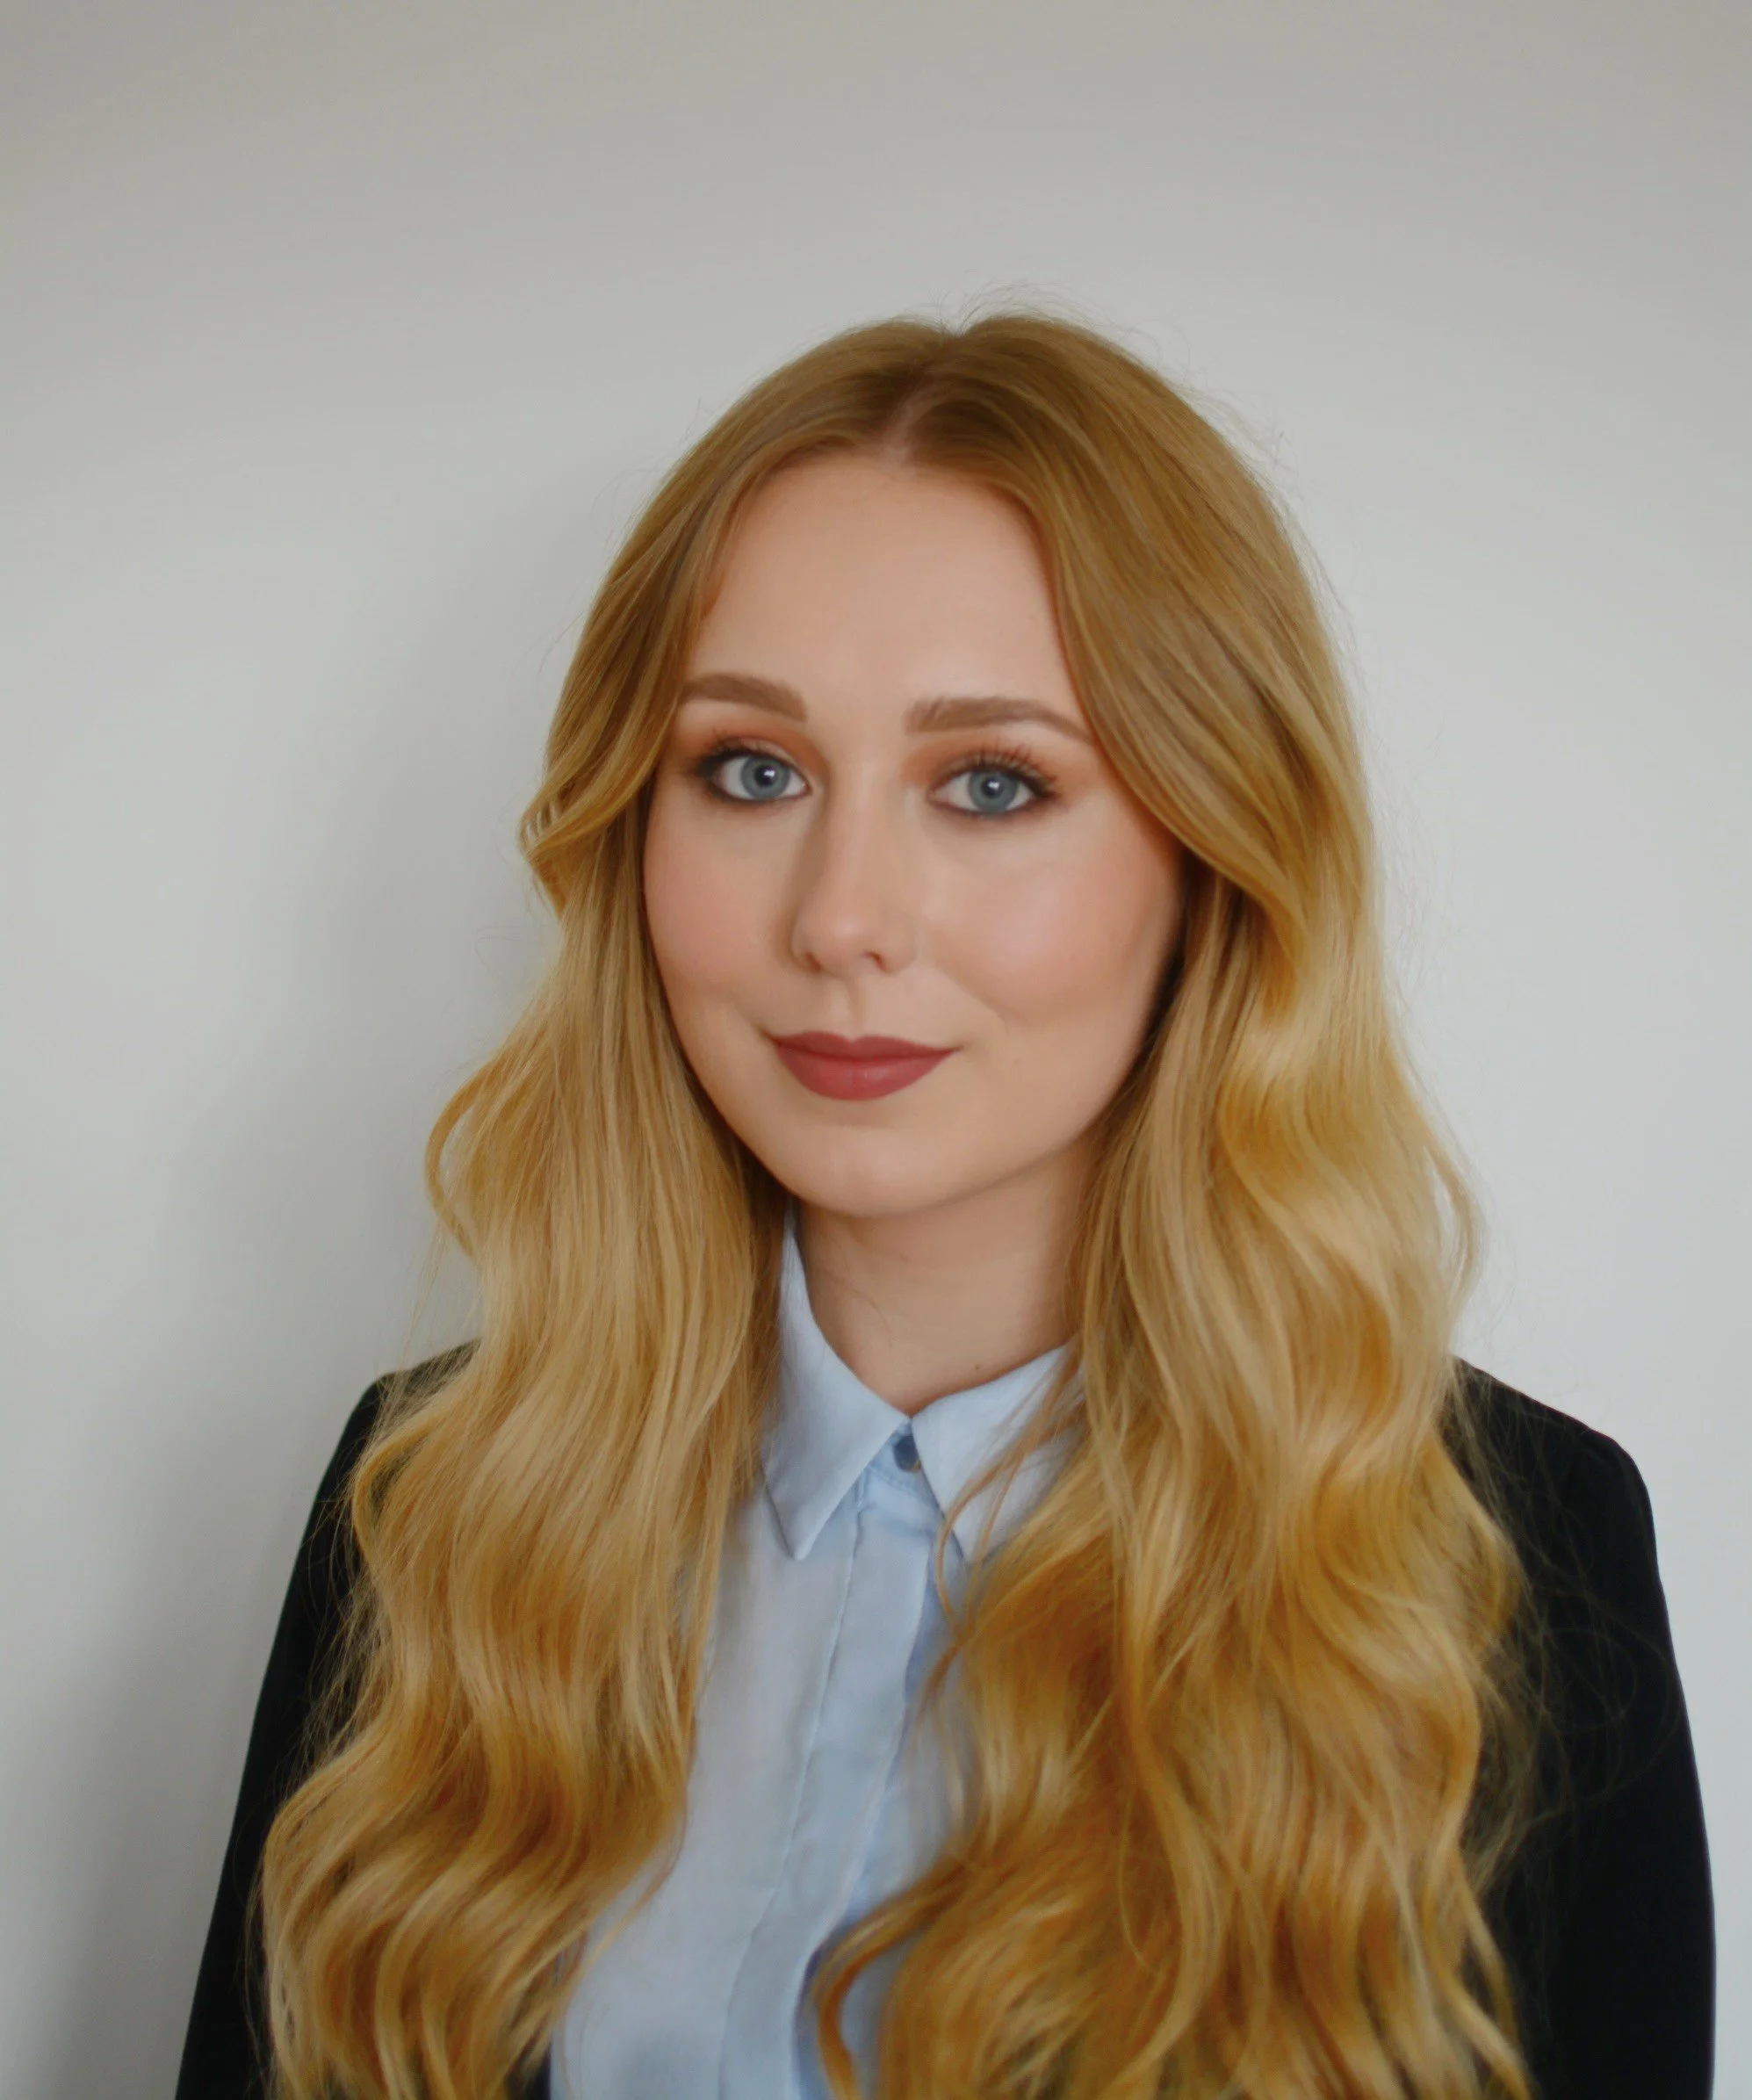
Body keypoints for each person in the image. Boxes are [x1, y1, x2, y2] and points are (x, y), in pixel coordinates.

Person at [175, 310, 1713, 2100]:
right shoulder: (434, 1498)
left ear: (1213, 857)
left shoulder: (1517, 1562)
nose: (839, 916)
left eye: (992, 784)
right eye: (750, 770)